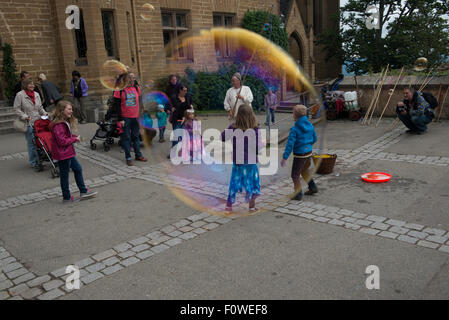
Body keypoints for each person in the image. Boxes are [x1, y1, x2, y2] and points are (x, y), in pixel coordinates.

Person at [50, 100, 97, 203]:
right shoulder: (58, 125)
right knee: (64, 175)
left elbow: (65, 137)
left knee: (77, 169)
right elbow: (62, 141)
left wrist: (75, 137)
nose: (71, 111)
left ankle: (83, 191)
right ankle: (66, 197)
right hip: (63, 153)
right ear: (62, 110)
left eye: (71, 109)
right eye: (69, 109)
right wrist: (74, 139)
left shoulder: (63, 122)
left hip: (67, 152)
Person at [221, 104, 263, 213]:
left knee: (234, 182)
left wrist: (230, 126)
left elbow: (222, 137)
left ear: (238, 115)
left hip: (238, 161)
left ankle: (228, 206)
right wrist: (263, 143)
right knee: (253, 183)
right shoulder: (256, 129)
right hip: (251, 162)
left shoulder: (233, 127)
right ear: (252, 115)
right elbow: (258, 147)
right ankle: (252, 207)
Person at [281, 105, 318, 201]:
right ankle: (312, 187)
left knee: (295, 175)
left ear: (295, 116)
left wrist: (285, 157)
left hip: (299, 155)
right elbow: (315, 139)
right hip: (308, 153)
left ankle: (298, 194)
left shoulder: (294, 129)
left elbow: (290, 145)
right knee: (305, 170)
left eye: (293, 113)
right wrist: (308, 145)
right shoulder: (310, 125)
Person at [13, 78, 48, 171]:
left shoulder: (36, 94)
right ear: (25, 85)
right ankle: (33, 162)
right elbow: (16, 109)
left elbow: (40, 107)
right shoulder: (20, 95)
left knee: (40, 141)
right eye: (30, 84)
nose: (32, 86)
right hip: (28, 122)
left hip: (38, 122)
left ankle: (40, 158)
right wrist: (24, 116)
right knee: (32, 143)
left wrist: (45, 114)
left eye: (33, 84)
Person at [113, 74, 148, 166]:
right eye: (130, 78)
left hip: (135, 117)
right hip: (125, 118)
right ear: (125, 80)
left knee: (136, 136)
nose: (132, 80)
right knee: (127, 137)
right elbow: (116, 106)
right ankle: (128, 157)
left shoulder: (137, 88)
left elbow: (140, 103)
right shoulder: (119, 90)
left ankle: (138, 155)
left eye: (133, 78)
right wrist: (120, 119)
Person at [168, 84, 193, 159]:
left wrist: (190, 106)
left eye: (186, 90)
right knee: (176, 136)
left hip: (186, 119)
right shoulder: (174, 98)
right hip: (177, 119)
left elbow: (189, 105)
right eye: (184, 90)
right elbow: (177, 107)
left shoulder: (188, 97)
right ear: (180, 90)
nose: (186, 92)